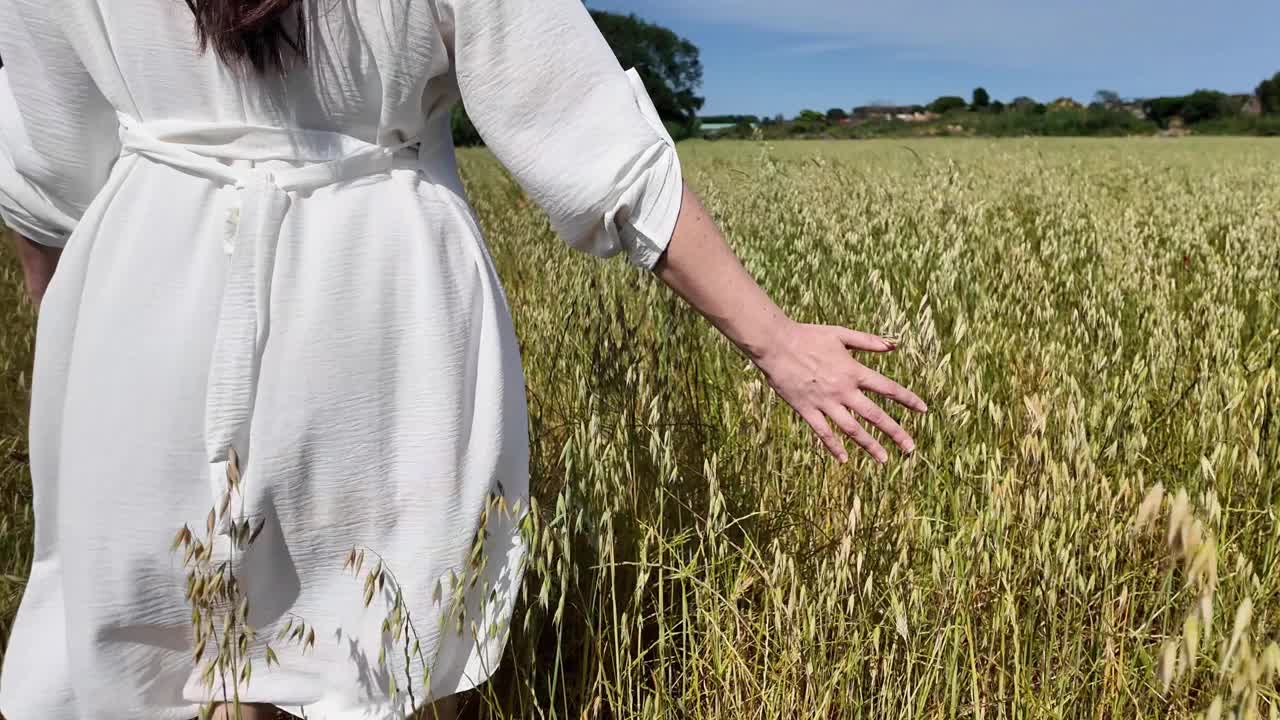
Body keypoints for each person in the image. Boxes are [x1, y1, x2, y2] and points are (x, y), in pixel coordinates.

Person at [0, 1, 926, 719]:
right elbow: (597, 150)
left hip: (142, 298)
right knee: (374, 651)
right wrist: (776, 340)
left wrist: (74, 376)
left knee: (158, 647)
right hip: (376, 317)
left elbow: (47, 179)